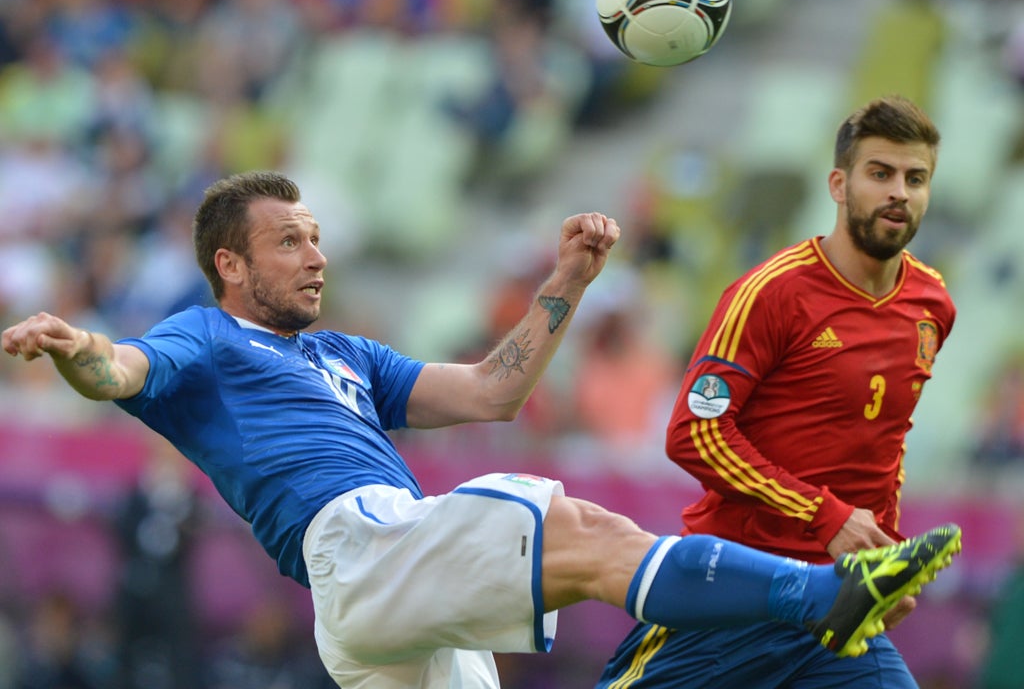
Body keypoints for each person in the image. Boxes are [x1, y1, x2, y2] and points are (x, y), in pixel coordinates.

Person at [3, 170, 961, 689]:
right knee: (593, 537)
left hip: (376, 596)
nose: (316, 254)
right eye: (288, 240)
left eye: (317, 235)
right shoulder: (204, 335)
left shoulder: (345, 354)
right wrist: (76, 343)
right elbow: (119, 370)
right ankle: (818, 595)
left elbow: (488, 394)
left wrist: (566, 286)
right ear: (231, 264)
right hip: (361, 543)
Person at [598, 95, 958, 688]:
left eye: (915, 178)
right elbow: (694, 433)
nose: (899, 192)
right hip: (734, 593)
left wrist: (882, 558)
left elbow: (886, 442)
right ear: (838, 185)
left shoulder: (931, 304)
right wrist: (825, 516)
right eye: (880, 173)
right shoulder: (771, 293)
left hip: (838, 617)